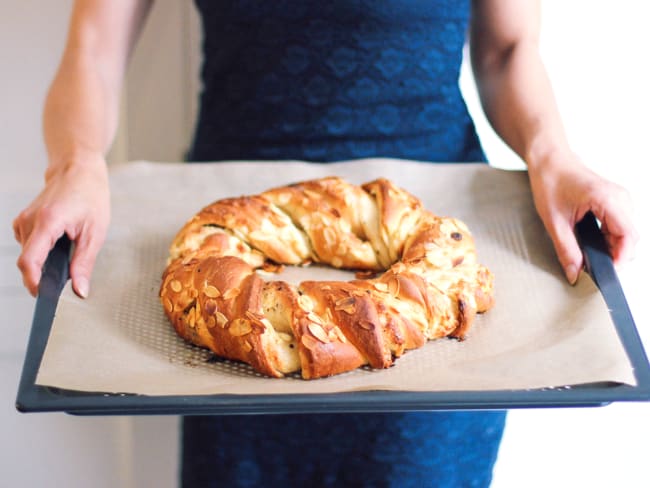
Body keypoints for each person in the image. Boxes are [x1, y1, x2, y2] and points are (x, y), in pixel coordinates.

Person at [13, 1, 638, 487]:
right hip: (228, 269)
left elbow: (508, 48)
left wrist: (552, 155)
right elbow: (93, 48)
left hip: (434, 251)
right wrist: (75, 162)